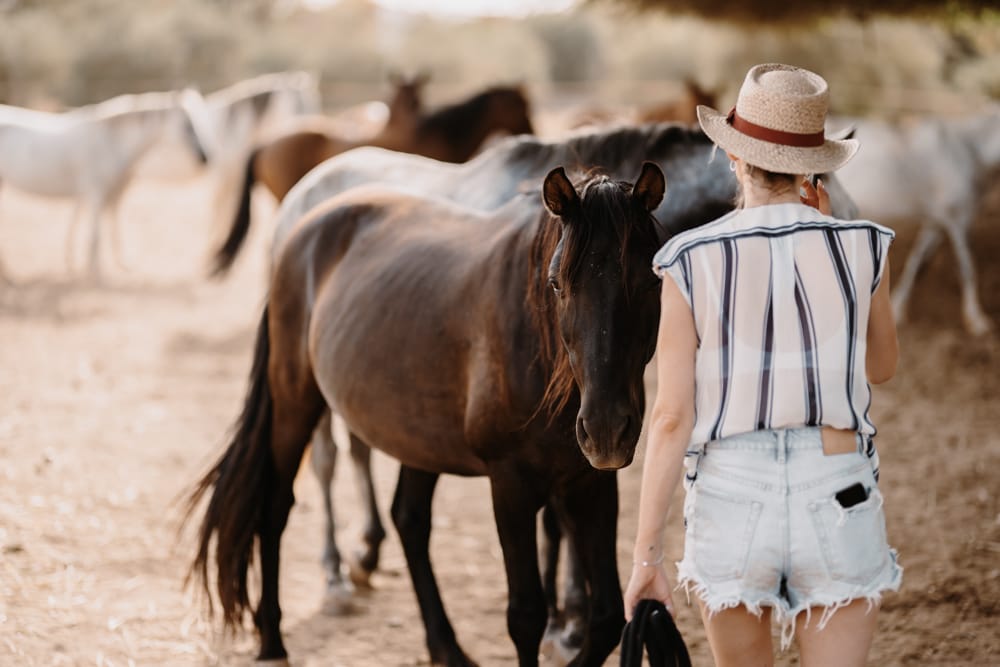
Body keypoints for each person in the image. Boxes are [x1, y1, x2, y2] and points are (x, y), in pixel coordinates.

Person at [623, 63, 902, 667]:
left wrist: (647, 556)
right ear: (811, 168)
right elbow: (881, 367)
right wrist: (830, 229)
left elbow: (670, 417)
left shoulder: (688, 259)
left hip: (730, 492)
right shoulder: (862, 244)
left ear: (733, 157)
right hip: (839, 486)